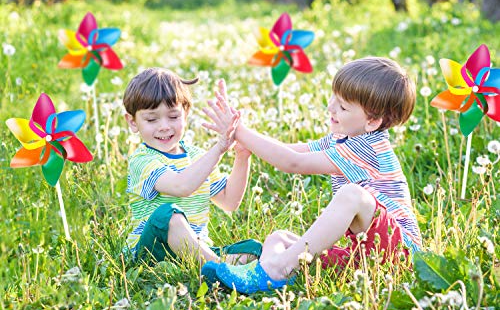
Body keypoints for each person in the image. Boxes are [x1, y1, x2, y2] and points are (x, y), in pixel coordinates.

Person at [202, 57, 423, 294]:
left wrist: (239, 131)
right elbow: (289, 150)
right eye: (334, 98)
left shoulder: (367, 146)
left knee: (353, 195)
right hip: (363, 255)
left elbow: (293, 162)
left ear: (373, 121)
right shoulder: (342, 139)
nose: (331, 108)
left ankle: (277, 269)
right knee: (279, 239)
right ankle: (265, 277)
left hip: (401, 253)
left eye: (343, 106)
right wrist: (243, 139)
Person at [123, 67, 261, 268]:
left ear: (185, 114)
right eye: (152, 119)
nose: (164, 126)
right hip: (152, 253)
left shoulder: (197, 157)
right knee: (168, 215)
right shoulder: (141, 160)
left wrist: (242, 155)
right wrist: (219, 148)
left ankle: (215, 264)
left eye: (173, 116)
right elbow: (181, 186)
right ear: (133, 122)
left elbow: (229, 201)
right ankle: (220, 268)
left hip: (195, 250)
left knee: (254, 249)